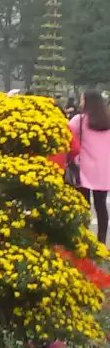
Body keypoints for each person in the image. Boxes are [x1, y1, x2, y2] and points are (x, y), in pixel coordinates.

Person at [71, 92, 110, 245]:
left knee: (83, 206)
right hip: (104, 170)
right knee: (101, 207)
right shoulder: (107, 121)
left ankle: (84, 240)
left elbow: (68, 136)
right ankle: (101, 241)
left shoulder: (79, 120)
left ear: (86, 102)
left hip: (84, 170)